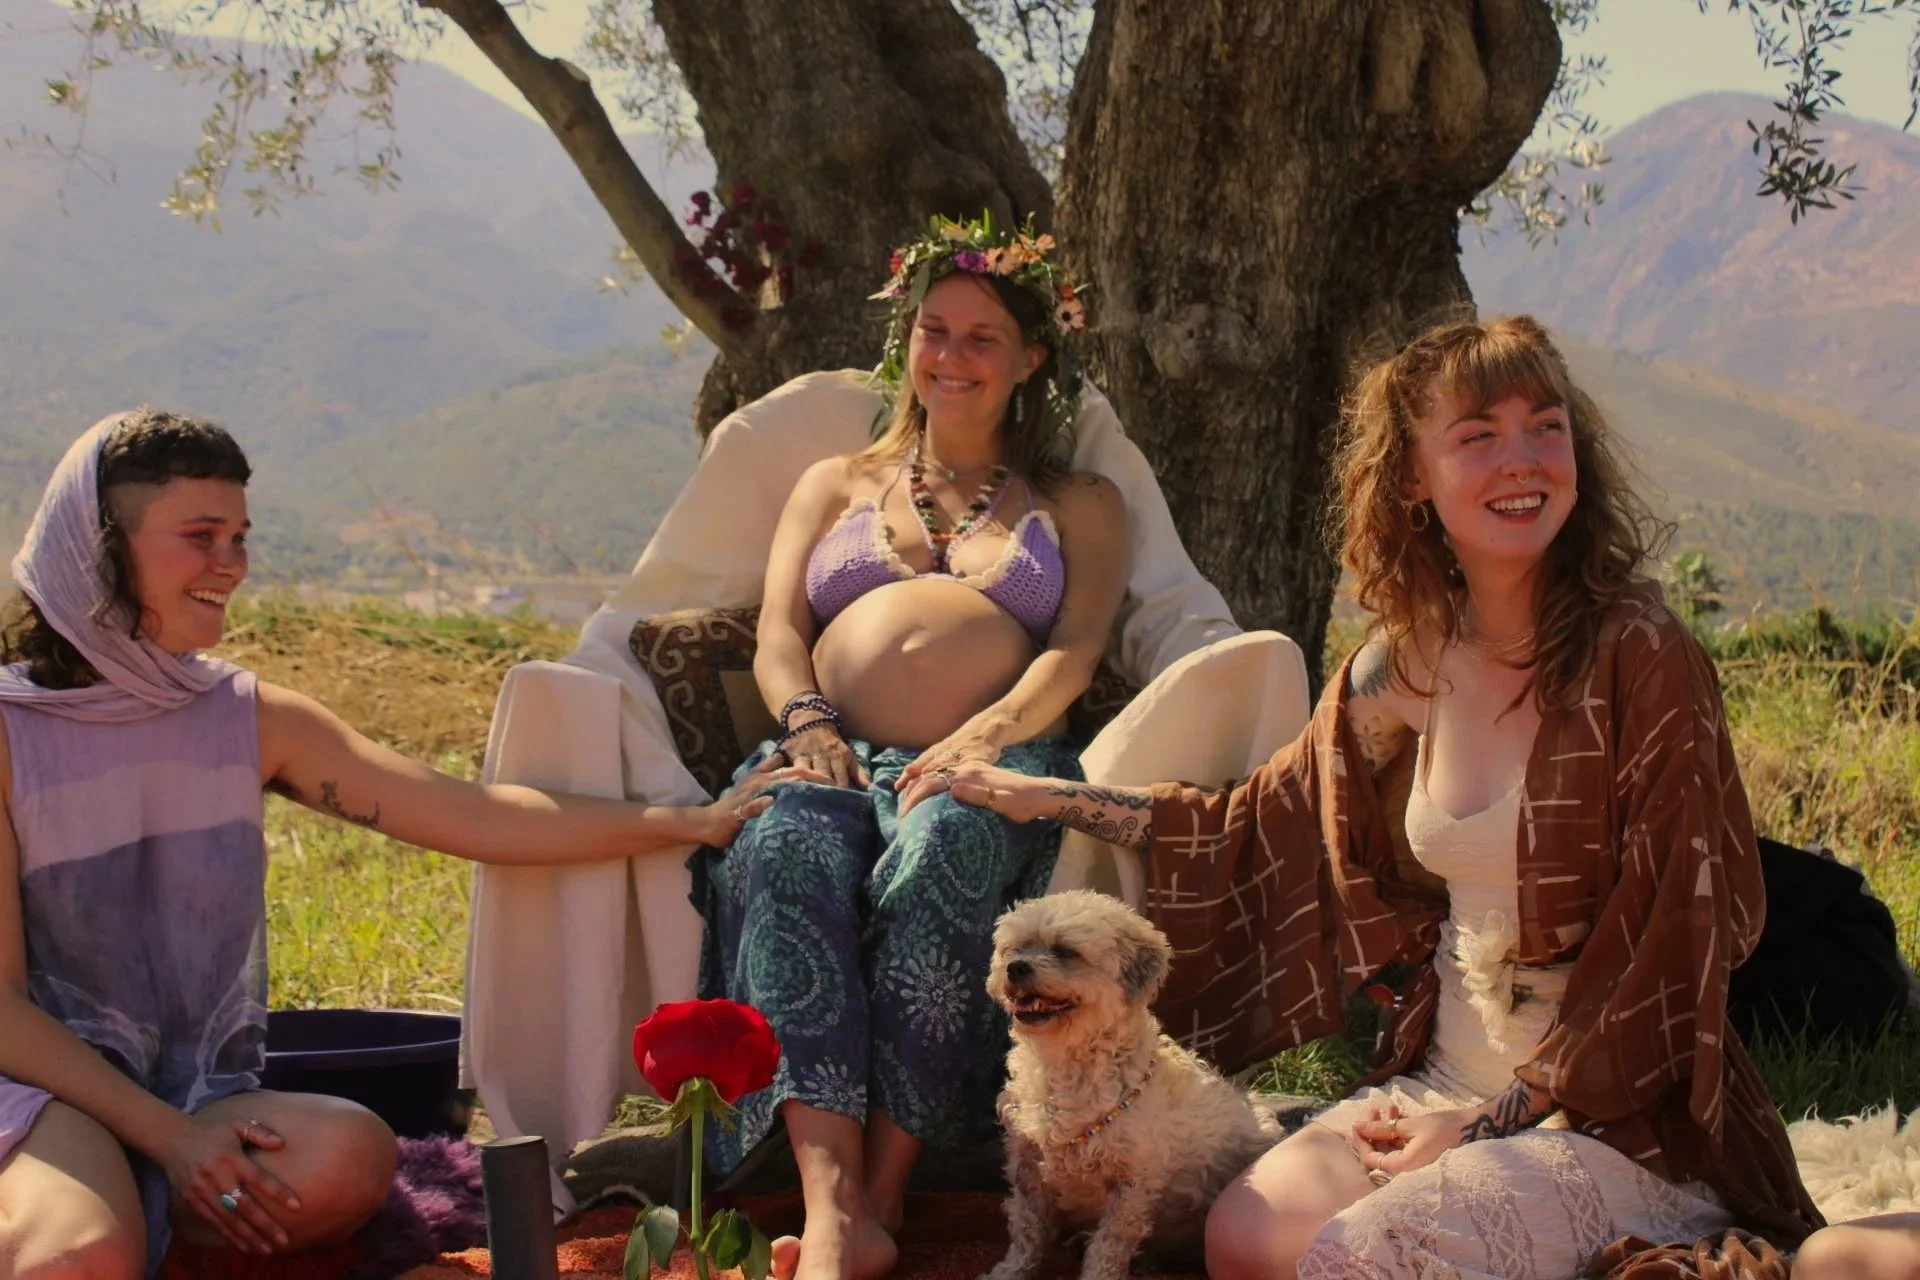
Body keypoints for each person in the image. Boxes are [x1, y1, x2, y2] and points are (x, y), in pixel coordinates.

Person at [943, 315, 1826, 1279]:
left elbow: (1677, 941)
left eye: (1547, 426)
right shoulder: (1409, 660)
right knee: (1245, 1241)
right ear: (1412, 477)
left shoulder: (1645, 659)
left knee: (1362, 1255)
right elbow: (1260, 819)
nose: (1523, 461)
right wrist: (1052, 797)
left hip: (1612, 1117)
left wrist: (1485, 1125)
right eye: (1479, 436)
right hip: (1439, 1081)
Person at [0, 410, 812, 1280]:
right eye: (200, 537)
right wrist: (172, 1140)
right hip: (43, 1091)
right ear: (95, 547)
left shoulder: (246, 719)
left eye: (239, 537)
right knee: (81, 1252)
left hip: (195, 1097)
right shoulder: (11, 734)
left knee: (350, 1154)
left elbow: (472, 814)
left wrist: (688, 821)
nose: (230, 564)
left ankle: (139, 1214)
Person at [690, 214, 1127, 1280]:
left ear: (1031, 358)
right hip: (831, 749)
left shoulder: (1079, 501)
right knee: (784, 845)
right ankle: (830, 1203)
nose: (952, 355)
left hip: (994, 763)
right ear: (906, 342)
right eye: (935, 329)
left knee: (943, 853)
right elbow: (778, 633)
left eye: (984, 337)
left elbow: (1074, 652)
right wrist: (807, 722)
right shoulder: (834, 482)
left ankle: (883, 1194)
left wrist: (984, 737)